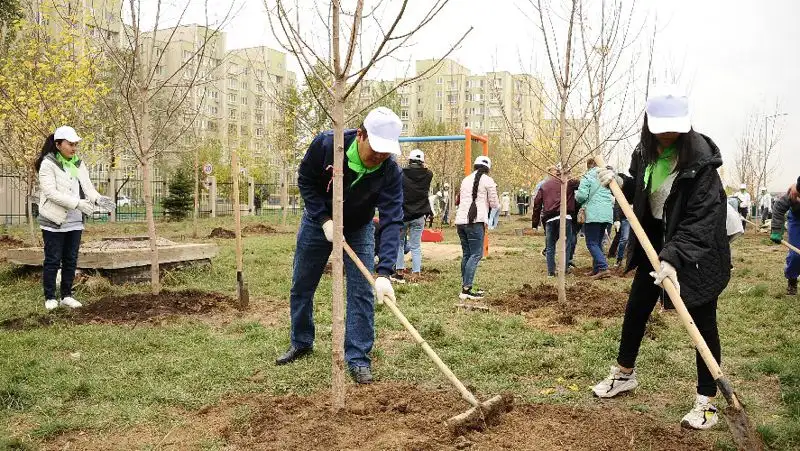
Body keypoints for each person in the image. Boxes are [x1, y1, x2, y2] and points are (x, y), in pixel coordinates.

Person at [592, 86, 731, 431]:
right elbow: (642, 187)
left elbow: (701, 220)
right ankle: (624, 374)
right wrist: (620, 181)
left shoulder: (701, 163)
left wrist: (674, 258)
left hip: (697, 252)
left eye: (674, 127)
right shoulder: (645, 150)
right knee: (637, 307)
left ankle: (707, 400)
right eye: (661, 126)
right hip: (655, 242)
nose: (667, 133)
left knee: (700, 319)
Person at [275, 107, 403, 385]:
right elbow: (306, 180)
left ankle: (357, 357)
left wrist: (384, 272)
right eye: (376, 149)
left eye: (386, 151)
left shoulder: (390, 171)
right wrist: (323, 219)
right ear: (360, 135)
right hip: (317, 223)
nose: (380, 156)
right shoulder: (327, 145)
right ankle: (301, 341)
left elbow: (393, 219)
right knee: (302, 284)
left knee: (362, 292)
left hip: (359, 227)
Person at [36, 126, 112, 311]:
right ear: (58, 144)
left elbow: (88, 188)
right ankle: (50, 297)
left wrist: (98, 199)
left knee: (70, 259)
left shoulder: (78, 163)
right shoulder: (48, 164)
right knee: (53, 259)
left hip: (74, 222)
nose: (74, 148)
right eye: (70, 144)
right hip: (54, 221)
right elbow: (51, 193)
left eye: (75, 144)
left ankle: (67, 295)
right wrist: (77, 204)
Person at [455, 156, 499, 300]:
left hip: (461, 221)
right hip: (475, 221)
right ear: (488, 168)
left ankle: (465, 286)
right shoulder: (488, 181)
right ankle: (466, 290)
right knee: (476, 254)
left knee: (467, 254)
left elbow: (460, 200)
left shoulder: (465, 180)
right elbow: (494, 204)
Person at [532, 166, 579, 276]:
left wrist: (535, 223)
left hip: (549, 218)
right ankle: (563, 269)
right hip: (565, 217)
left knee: (550, 246)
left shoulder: (544, 186)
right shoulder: (568, 183)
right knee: (566, 244)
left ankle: (551, 272)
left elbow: (537, 205)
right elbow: (581, 185)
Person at [394, 149, 432, 283]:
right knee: (416, 246)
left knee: (399, 243)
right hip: (419, 215)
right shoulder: (428, 175)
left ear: (409, 160)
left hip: (403, 215)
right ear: (422, 161)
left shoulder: (401, 174)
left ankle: (399, 273)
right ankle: (416, 273)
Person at [576, 159, 614, 279]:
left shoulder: (587, 177)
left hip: (593, 213)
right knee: (597, 242)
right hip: (607, 213)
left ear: (589, 166)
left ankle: (603, 268)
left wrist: (577, 196)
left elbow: (581, 196)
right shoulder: (607, 176)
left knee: (591, 242)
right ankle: (596, 269)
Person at [769, 178, 800, 295]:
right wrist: (776, 230)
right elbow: (779, 207)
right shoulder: (793, 192)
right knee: (796, 255)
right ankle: (792, 279)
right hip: (797, 220)